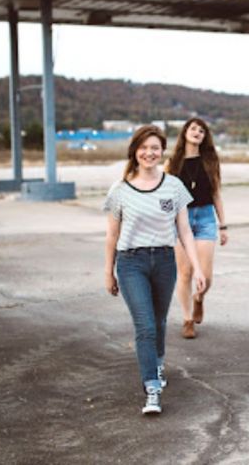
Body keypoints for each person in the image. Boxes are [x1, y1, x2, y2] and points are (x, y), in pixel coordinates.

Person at [104, 124, 206, 415]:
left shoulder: (173, 185)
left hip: (163, 261)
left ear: (162, 152)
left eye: (155, 148)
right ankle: (151, 388)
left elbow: (185, 230)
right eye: (144, 148)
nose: (149, 153)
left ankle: (157, 364)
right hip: (130, 262)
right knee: (145, 326)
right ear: (135, 151)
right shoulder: (120, 189)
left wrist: (197, 269)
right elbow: (112, 234)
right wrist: (108, 271)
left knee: (159, 322)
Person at [165, 118, 228, 339]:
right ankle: (187, 319)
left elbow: (216, 194)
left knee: (206, 275)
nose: (197, 132)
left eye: (202, 130)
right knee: (185, 273)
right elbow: (165, 195)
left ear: (204, 137)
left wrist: (223, 225)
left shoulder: (211, 161)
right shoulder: (173, 162)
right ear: (185, 133)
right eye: (193, 128)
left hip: (205, 219)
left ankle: (199, 299)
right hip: (179, 221)